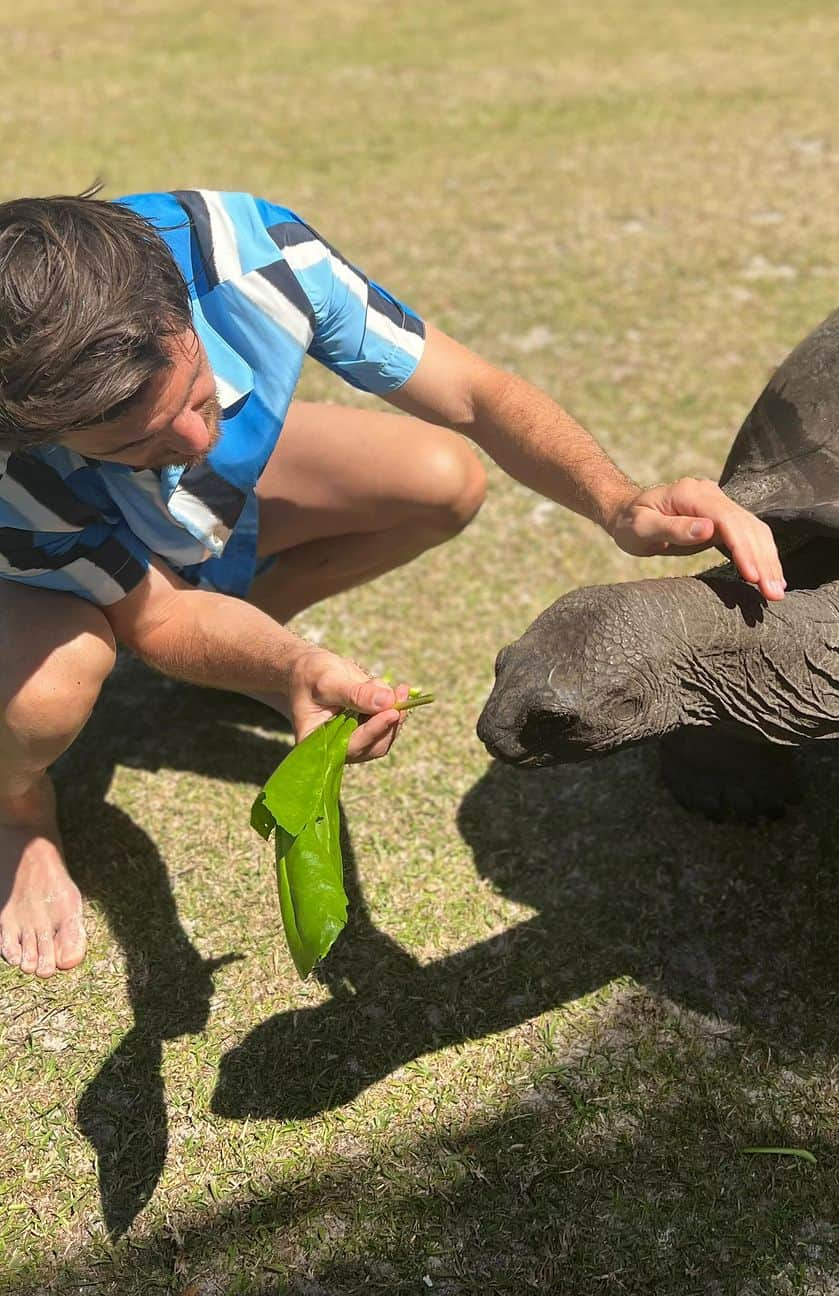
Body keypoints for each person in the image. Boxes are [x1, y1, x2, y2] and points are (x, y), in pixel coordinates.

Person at [0, 188, 786, 980]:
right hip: (39, 565)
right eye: (135, 439)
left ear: (177, 298)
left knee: (440, 478)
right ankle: (18, 810)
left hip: (180, 523)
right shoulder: (12, 463)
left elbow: (473, 394)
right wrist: (295, 668)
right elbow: (158, 616)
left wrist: (618, 502)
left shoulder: (252, 254)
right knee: (47, 693)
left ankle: (233, 645)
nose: (200, 439)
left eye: (199, 391)